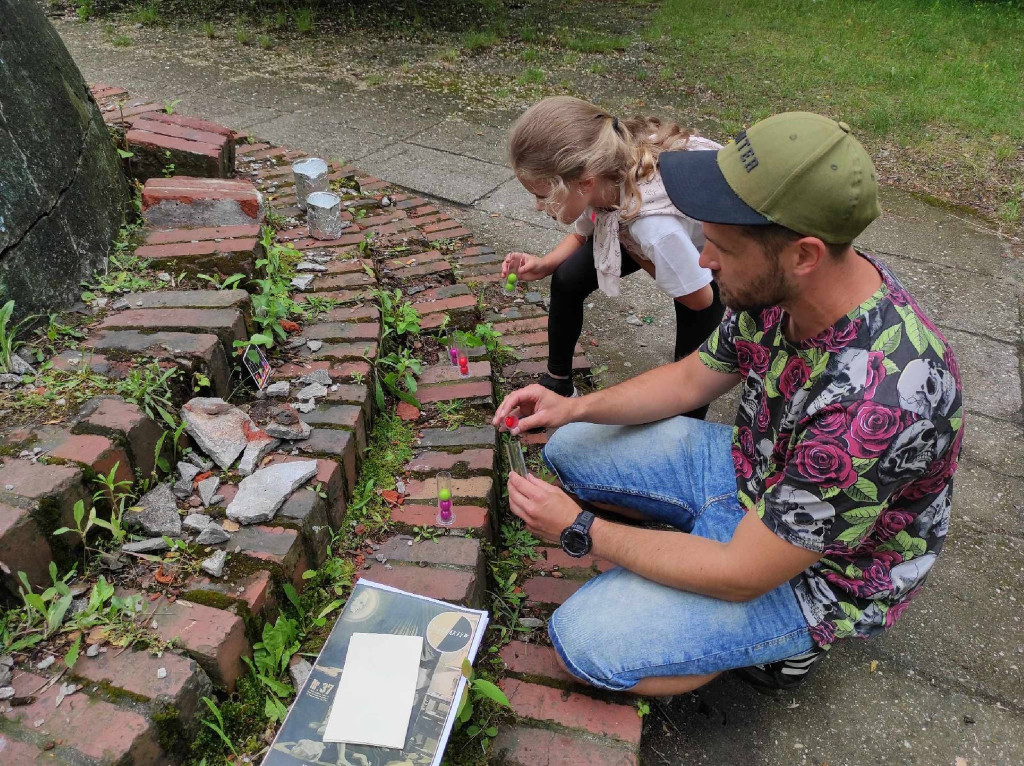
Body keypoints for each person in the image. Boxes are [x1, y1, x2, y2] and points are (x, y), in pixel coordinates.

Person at [493, 112, 963, 695]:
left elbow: (744, 574)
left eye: (720, 246)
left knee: (586, 644)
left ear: (804, 254)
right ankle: (686, 549)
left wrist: (585, 530)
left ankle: (788, 644)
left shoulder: (876, 408)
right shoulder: (785, 289)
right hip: (750, 469)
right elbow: (692, 379)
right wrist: (570, 406)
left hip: (809, 568)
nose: (706, 262)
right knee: (570, 444)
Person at [502, 96, 725, 415]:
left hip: (705, 260)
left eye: (542, 196)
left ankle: (684, 435)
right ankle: (558, 382)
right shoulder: (600, 168)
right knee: (567, 278)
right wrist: (547, 264)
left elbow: (700, 298)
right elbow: (588, 226)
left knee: (692, 369)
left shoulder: (654, 230)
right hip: (632, 218)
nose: (538, 207)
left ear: (584, 182)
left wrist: (638, 250)